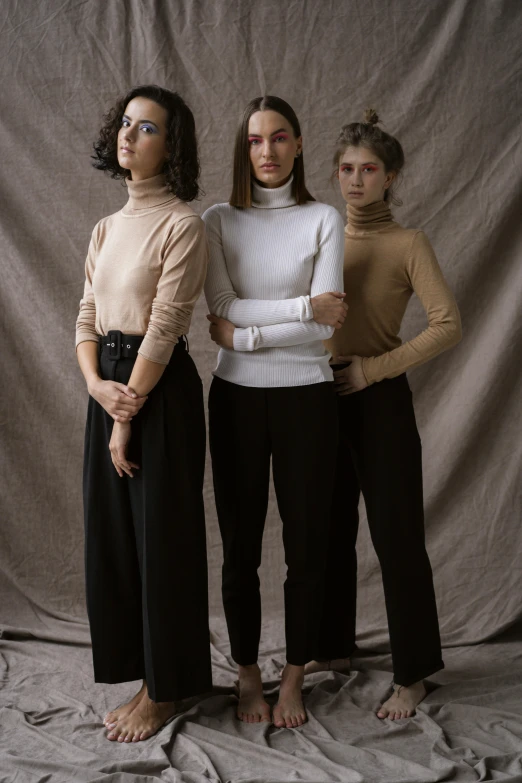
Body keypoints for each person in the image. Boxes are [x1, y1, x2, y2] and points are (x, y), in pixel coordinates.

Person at [305, 109, 462, 720]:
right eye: (346, 169)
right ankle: (333, 649)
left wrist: (372, 370)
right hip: (319, 398)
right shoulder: (322, 233)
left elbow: (448, 325)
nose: (355, 181)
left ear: (391, 176)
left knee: (396, 538)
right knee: (327, 531)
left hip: (380, 400)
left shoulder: (408, 243)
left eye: (369, 170)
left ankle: (415, 672)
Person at [203, 95, 346, 729]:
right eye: (257, 140)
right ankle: (248, 676)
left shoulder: (323, 218)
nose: (268, 151)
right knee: (238, 549)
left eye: (280, 138)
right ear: (244, 148)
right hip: (235, 397)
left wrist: (249, 332)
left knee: (306, 548)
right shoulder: (217, 220)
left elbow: (329, 309)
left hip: (309, 398)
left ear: (298, 145)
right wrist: (298, 313)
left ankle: (293, 678)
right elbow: (221, 309)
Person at [75, 84, 212, 743]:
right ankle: (149, 677)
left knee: (164, 542)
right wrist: (97, 390)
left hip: (159, 393)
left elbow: (163, 328)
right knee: (119, 543)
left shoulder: (182, 224)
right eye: (125, 123)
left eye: (147, 127)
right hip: (109, 387)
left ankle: (167, 690)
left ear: (171, 144)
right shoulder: (105, 227)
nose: (129, 135)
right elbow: (86, 318)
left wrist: (126, 414)